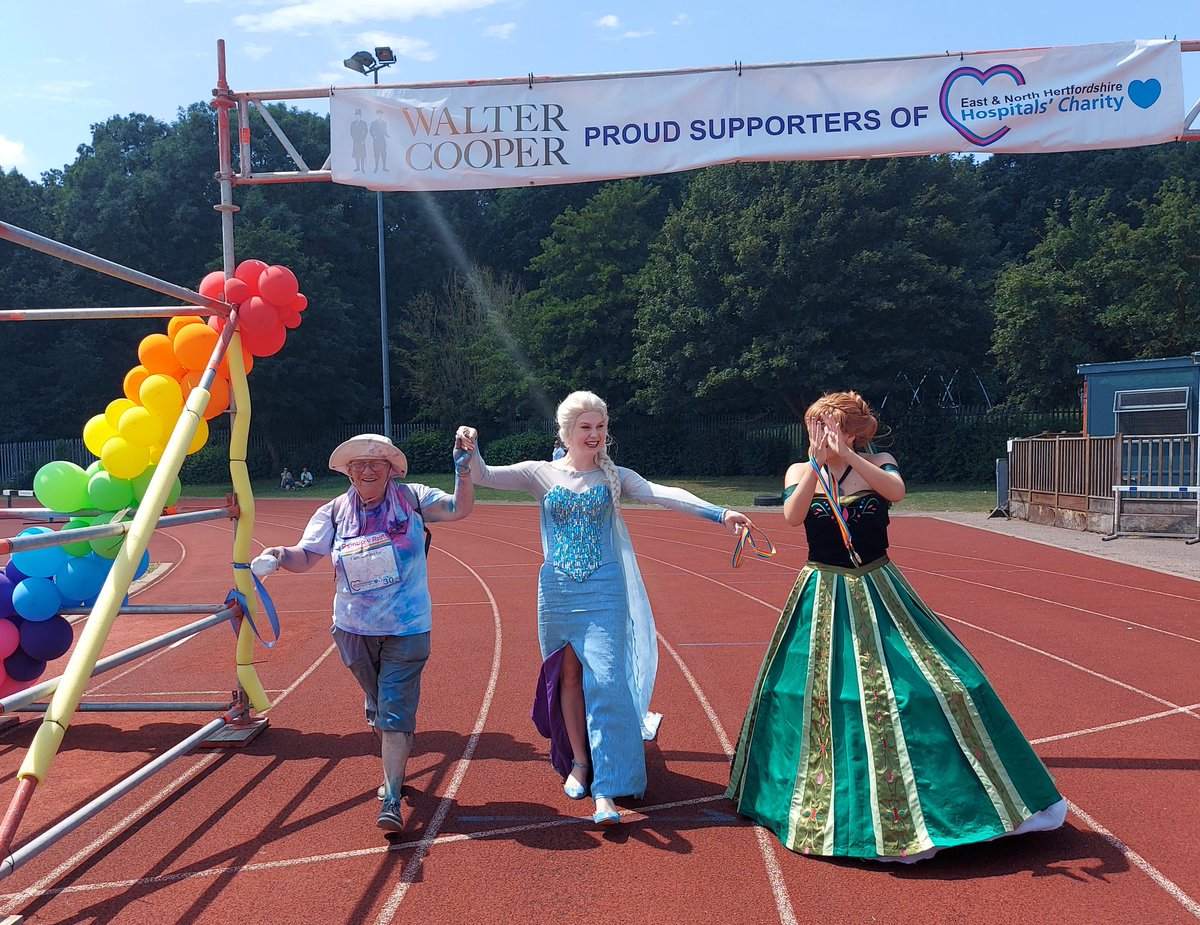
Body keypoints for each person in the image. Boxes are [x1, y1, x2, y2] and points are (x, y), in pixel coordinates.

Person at [725, 391, 1066, 861]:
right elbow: (791, 516)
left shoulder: (880, 461)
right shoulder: (799, 472)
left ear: (848, 429)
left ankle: (956, 804)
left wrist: (846, 457)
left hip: (880, 588)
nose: (815, 435)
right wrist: (820, 465)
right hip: (822, 593)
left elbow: (896, 493)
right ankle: (828, 808)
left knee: (934, 686)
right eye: (811, 426)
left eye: (823, 426)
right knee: (818, 696)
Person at [456, 391, 753, 826]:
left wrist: (719, 513)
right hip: (556, 593)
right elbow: (483, 474)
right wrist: (468, 449)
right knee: (569, 679)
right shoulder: (540, 474)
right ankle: (580, 761)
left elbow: (663, 494)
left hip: (604, 591)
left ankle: (607, 788)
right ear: (567, 432)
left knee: (608, 683)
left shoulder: (614, 477)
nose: (595, 435)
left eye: (600, 427)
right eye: (586, 428)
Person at [256, 432, 475, 834]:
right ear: (348, 472)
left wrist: (463, 466)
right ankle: (386, 721)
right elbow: (305, 557)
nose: (369, 469)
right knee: (380, 707)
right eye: (359, 464)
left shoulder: (413, 499)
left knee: (393, 715)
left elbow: (459, 508)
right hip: (353, 630)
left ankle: (391, 797)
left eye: (378, 463)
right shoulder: (334, 512)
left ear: (392, 469)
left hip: (407, 627)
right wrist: (277, 555)